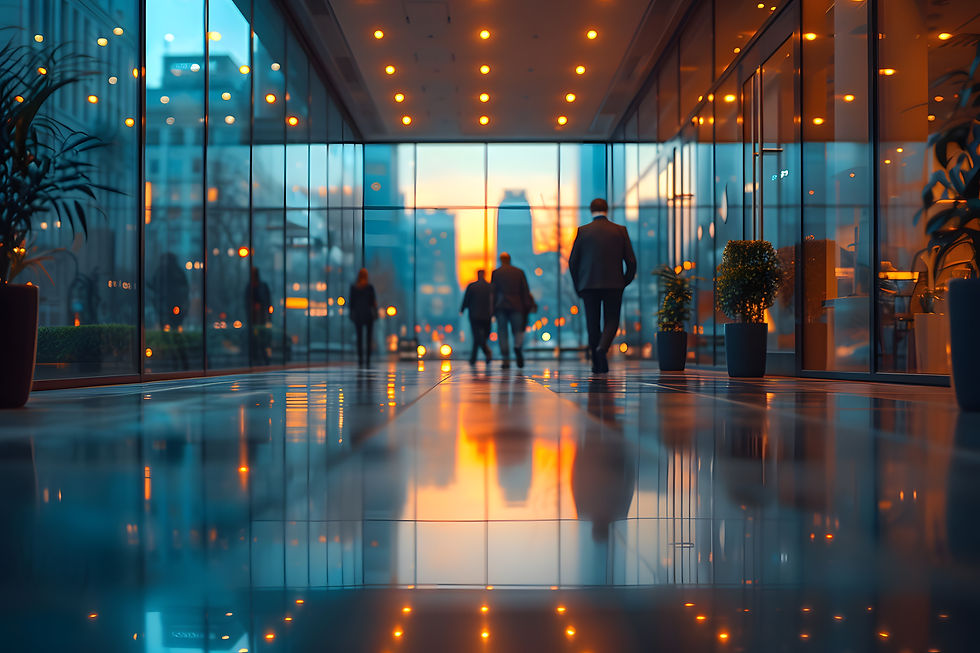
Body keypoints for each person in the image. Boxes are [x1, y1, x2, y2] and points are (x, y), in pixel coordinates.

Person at [567, 198, 637, 374]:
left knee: (592, 323)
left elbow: (572, 262)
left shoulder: (583, 232)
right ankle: (602, 350)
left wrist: (578, 285)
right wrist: (624, 281)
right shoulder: (620, 231)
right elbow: (631, 261)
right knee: (612, 320)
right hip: (614, 284)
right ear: (607, 209)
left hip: (588, 285)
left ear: (591, 210)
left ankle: (596, 363)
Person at [491, 252, 536, 369]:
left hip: (501, 306)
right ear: (510, 260)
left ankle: (505, 359)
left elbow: (493, 292)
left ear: (500, 260)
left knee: (502, 332)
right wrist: (528, 305)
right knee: (518, 331)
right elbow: (525, 290)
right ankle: (517, 347)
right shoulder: (519, 272)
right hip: (517, 306)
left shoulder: (496, 273)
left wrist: (492, 309)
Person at [460, 269, 493, 366]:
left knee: (476, 336)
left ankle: (475, 357)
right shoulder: (490, 287)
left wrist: (462, 309)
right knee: (483, 337)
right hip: (486, 315)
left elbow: (466, 299)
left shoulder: (472, 287)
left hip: (474, 315)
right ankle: (483, 354)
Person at [348, 268, 378, 366]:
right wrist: (375, 314)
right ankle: (368, 360)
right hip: (368, 315)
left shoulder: (354, 288)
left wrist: (352, 314)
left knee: (359, 338)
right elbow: (373, 303)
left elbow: (351, 303)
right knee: (368, 338)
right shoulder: (369, 288)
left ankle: (360, 359)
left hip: (358, 315)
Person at [245, 266, 272, 365]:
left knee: (262, 340)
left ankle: (264, 359)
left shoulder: (262, 286)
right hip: (254, 320)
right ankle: (257, 359)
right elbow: (247, 303)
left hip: (262, 320)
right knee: (255, 341)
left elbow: (267, 301)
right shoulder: (250, 287)